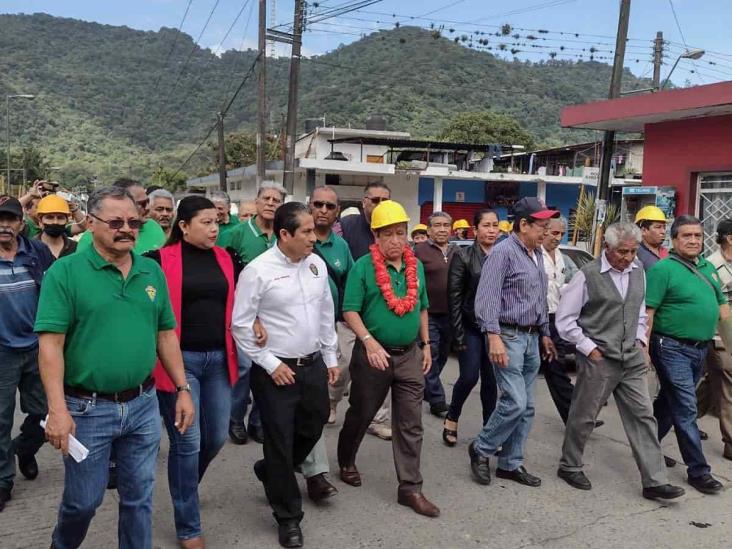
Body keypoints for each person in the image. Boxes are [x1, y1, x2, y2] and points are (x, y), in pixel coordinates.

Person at [35, 186, 194, 549]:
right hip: (86, 410)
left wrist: (183, 388)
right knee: (83, 502)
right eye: (116, 222)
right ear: (91, 223)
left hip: (142, 406)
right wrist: (57, 410)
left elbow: (166, 334)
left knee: (139, 498)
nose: (127, 229)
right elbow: (50, 346)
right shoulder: (66, 272)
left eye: (134, 222)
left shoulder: (150, 271)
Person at [232, 202, 339, 548]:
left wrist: (330, 355)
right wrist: (268, 362)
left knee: (315, 421)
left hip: (312, 365)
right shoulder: (258, 271)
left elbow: (326, 312)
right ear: (284, 234)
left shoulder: (316, 265)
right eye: (306, 232)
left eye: (313, 230)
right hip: (276, 371)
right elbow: (241, 324)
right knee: (279, 440)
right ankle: (288, 516)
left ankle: (271, 472)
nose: (313, 237)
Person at [554, 222, 685, 501]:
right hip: (599, 358)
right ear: (608, 249)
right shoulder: (587, 275)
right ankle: (570, 465)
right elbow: (564, 320)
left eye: (632, 251)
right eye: (622, 252)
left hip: (631, 358)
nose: (628, 258)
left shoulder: (638, 271)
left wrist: (640, 341)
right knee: (584, 415)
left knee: (643, 416)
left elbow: (638, 311)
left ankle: (655, 480)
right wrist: (589, 348)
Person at [146, 196, 242, 548]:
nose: (214, 228)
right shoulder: (158, 260)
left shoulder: (227, 258)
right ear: (183, 226)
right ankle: (188, 525)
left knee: (215, 437)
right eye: (205, 222)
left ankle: (185, 486)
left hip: (219, 359)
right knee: (187, 443)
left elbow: (243, 299)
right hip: (178, 362)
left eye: (217, 221)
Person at [337, 200, 439, 518]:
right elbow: (349, 310)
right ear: (376, 236)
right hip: (373, 354)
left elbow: (421, 306)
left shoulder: (415, 266)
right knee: (362, 412)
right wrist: (368, 342)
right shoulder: (363, 267)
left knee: (411, 422)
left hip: (409, 353)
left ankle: (410, 488)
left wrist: (426, 344)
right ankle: (346, 458)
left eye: (401, 232)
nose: (396, 240)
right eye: (389, 234)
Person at [468, 197, 558, 488]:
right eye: (541, 225)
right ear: (523, 224)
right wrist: (492, 336)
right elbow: (487, 298)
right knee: (515, 401)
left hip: (532, 337)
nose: (546, 231)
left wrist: (545, 332)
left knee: (528, 405)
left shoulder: (537, 254)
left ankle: (510, 462)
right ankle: (481, 447)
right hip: (507, 335)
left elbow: (539, 297)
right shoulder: (503, 252)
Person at [647, 215, 729, 495]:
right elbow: (648, 313)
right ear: (674, 240)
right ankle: (698, 471)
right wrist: (643, 350)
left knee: (668, 404)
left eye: (697, 235)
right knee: (686, 407)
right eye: (686, 236)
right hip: (670, 347)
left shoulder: (707, 267)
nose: (693, 240)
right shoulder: (663, 269)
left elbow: (722, 306)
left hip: (700, 349)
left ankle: (646, 446)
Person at [0, 195, 54, 513]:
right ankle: (4, 481)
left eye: (10, 220)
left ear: (22, 224)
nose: (4, 226)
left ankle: (25, 447)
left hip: (37, 346)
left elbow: (58, 289)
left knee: (47, 413)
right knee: (0, 419)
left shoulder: (37, 252)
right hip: (2, 352)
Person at [302, 186, 353, 502]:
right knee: (302, 409)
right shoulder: (290, 242)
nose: (323, 209)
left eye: (329, 206)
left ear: (336, 213)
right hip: (295, 338)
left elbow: (347, 282)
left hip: (332, 328)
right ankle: (306, 470)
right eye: (317, 204)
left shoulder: (341, 246)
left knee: (315, 404)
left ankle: (313, 470)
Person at [227, 182, 286, 445]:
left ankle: (259, 422)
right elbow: (227, 277)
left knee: (269, 371)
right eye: (267, 198)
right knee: (243, 369)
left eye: (277, 199)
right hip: (244, 315)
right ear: (257, 201)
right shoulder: (238, 234)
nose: (271, 203)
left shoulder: (284, 236)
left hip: (277, 317)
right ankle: (235, 418)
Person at [337, 181, 392, 440]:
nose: (380, 205)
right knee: (344, 367)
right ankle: (331, 401)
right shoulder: (346, 228)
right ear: (364, 202)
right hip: (349, 314)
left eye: (385, 200)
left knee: (378, 368)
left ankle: (377, 419)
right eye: (375, 200)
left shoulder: (393, 229)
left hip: (380, 316)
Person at [443, 208, 500, 447]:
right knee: (468, 376)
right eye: (486, 225)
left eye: (495, 225)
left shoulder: (504, 255)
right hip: (470, 326)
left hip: (495, 330)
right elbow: (454, 298)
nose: (491, 230)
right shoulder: (463, 256)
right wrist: (457, 334)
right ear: (475, 230)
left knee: (491, 381)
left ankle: (489, 432)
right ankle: (452, 417)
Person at [415, 212, 456, 417]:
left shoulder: (458, 251)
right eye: (437, 225)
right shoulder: (419, 251)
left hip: (451, 315)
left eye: (446, 225)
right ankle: (437, 400)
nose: (442, 229)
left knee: (442, 356)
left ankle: (426, 387)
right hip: (427, 314)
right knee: (432, 352)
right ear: (429, 230)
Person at [698, 219, 732, 461]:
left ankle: (677, 414)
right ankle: (731, 441)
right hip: (720, 335)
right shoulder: (711, 266)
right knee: (729, 385)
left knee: (715, 382)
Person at [77, 178, 166, 254]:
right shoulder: (90, 240)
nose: (147, 208)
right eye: (141, 204)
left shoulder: (154, 226)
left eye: (148, 202)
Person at [19, 180, 87, 238]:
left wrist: (73, 208)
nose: (55, 221)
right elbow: (9, 209)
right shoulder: (23, 227)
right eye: (38, 207)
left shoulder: (58, 226)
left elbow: (83, 226)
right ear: (27, 209)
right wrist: (30, 195)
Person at [35, 194, 78, 258]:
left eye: (60, 218)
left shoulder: (76, 249)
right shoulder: (29, 248)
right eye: (49, 217)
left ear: (67, 221)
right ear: (40, 221)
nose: (55, 222)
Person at [635, 206, 668, 272]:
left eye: (664, 227)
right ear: (643, 230)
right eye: (658, 227)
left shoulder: (666, 252)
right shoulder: (635, 254)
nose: (663, 232)